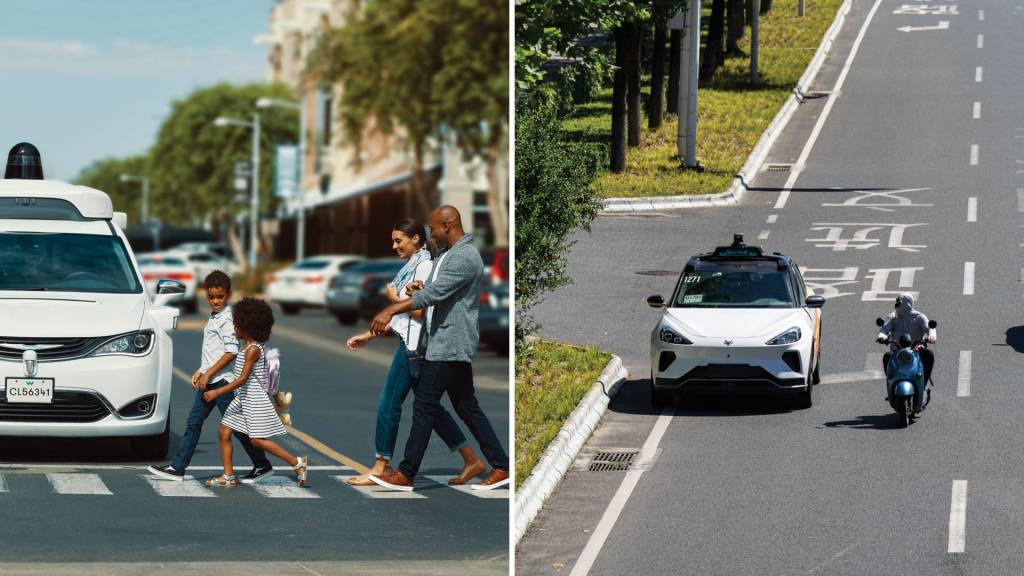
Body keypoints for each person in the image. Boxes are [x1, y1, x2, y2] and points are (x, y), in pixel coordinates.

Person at [367, 206, 509, 492]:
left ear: (448, 225)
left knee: (424, 405)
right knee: (466, 406)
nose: (431, 235)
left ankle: (406, 473)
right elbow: (436, 290)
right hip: (445, 341)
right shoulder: (448, 254)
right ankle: (501, 466)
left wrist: (392, 308)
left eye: (433, 230)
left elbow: (434, 294)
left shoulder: (465, 256)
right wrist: (419, 288)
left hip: (449, 343)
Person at [344, 219, 484, 486]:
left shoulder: (425, 266)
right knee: (428, 407)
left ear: (416, 239)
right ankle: (471, 459)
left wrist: (394, 299)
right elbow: (402, 317)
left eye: (399, 240)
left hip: (415, 347)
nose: (394, 246)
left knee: (389, 402)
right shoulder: (412, 266)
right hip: (410, 342)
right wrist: (368, 335)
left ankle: (380, 466)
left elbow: (424, 312)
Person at [148, 272, 272, 483]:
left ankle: (262, 464)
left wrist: (209, 373)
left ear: (229, 295)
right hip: (210, 380)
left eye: (220, 297)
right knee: (194, 423)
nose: (215, 301)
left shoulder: (227, 319)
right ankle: (177, 467)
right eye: (211, 297)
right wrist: (201, 370)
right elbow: (215, 351)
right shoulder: (215, 316)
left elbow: (231, 352)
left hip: (222, 382)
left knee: (237, 428)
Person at [202, 297, 307, 487]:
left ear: (247, 327)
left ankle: (296, 461)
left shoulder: (253, 350)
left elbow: (242, 379)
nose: (233, 327)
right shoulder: (246, 347)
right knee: (224, 431)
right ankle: (228, 476)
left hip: (253, 399)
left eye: (236, 324)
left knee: (256, 441)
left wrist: (217, 393)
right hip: (242, 399)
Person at [877, 293, 936, 408]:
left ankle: (923, 385)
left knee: (929, 354)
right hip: (897, 352)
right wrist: (882, 336)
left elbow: (930, 329)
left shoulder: (919, 317)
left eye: (898, 303)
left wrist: (931, 336)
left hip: (916, 351)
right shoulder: (894, 318)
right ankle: (891, 385)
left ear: (906, 304)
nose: (896, 305)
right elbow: (884, 329)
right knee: (887, 357)